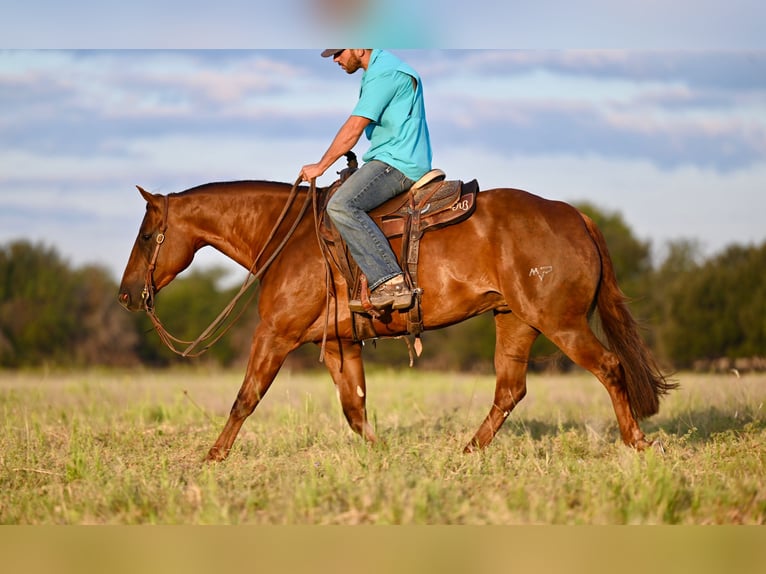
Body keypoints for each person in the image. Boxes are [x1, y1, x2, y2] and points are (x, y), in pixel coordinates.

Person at [300, 49, 432, 311]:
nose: (335, 59)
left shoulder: (385, 73)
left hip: (396, 162)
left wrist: (321, 166)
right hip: (391, 157)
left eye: (339, 52)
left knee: (340, 206)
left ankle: (390, 281)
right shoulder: (379, 70)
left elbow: (354, 128)